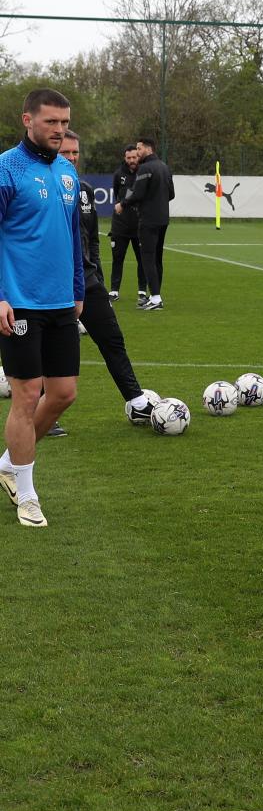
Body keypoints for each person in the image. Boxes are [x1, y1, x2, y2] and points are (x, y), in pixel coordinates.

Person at [0, 88, 84, 527]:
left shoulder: (68, 172)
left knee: (64, 393)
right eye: (51, 121)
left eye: (64, 122)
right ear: (27, 120)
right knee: (27, 394)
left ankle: (8, 463)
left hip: (61, 302)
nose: (59, 130)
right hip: (19, 303)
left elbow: (73, 237)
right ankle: (27, 495)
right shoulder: (6, 168)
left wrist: (78, 289)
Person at [58, 131, 154, 426]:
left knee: (112, 338)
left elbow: (91, 238)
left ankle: (137, 401)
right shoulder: (39, 190)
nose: (71, 158)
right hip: (53, 284)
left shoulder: (84, 190)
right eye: (65, 153)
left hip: (87, 280)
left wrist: (97, 275)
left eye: (75, 152)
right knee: (57, 350)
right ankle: (44, 414)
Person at [116, 136, 173, 310]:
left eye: (139, 148)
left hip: (148, 220)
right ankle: (156, 295)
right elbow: (171, 194)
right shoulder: (164, 167)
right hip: (163, 219)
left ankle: (155, 299)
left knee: (147, 257)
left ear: (148, 149)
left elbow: (138, 194)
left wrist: (122, 204)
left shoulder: (145, 168)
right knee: (157, 258)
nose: (137, 151)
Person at [108, 144, 144, 304]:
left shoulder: (144, 173)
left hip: (139, 225)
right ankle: (114, 290)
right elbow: (117, 193)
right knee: (117, 258)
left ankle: (142, 291)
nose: (132, 160)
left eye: (134, 157)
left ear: (138, 157)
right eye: (129, 158)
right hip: (120, 225)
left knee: (142, 260)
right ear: (125, 158)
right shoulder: (118, 174)